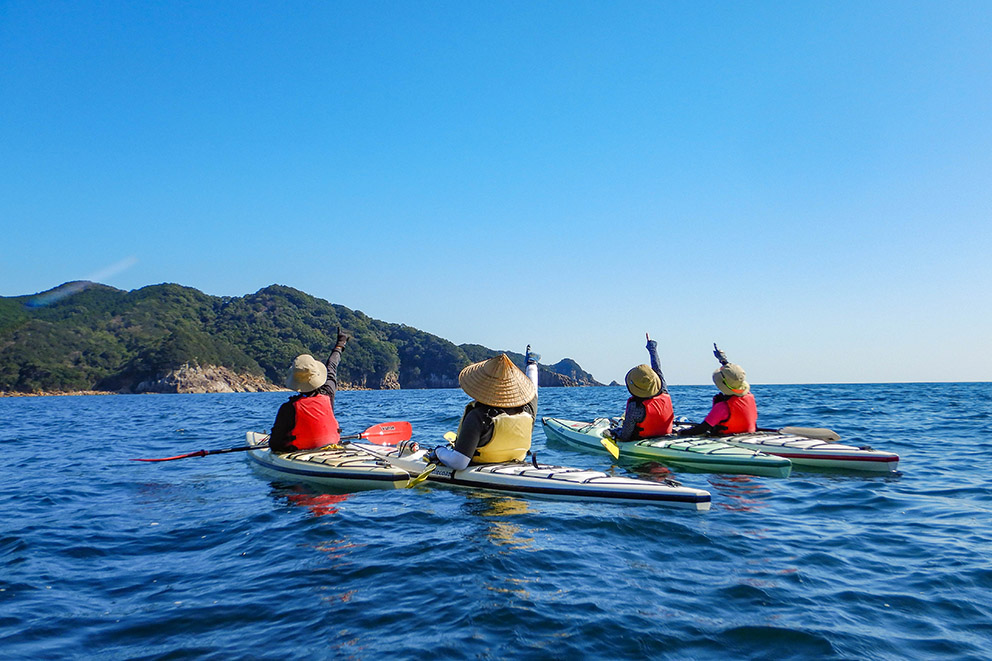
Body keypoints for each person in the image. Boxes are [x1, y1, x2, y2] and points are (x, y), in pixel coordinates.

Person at [430, 348, 539, 470]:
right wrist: (532, 365)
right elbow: (534, 390)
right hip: (517, 465)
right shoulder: (528, 410)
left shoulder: (478, 416)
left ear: (480, 388)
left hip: (479, 473)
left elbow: (459, 463)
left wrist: (439, 451)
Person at [268, 328, 351, 453]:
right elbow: (332, 366)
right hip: (332, 448)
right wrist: (340, 344)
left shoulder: (289, 408)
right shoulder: (328, 393)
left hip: (301, 454)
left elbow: (275, 444)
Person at [678, 344, 757, 436]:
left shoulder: (722, 407)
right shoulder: (749, 396)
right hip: (748, 436)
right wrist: (724, 361)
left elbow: (702, 429)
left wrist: (681, 432)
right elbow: (734, 376)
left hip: (728, 439)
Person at [609, 333, 674, 441]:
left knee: (613, 430)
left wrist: (614, 432)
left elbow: (625, 436)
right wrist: (652, 348)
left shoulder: (635, 406)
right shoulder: (663, 391)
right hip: (666, 434)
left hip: (642, 439)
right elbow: (657, 369)